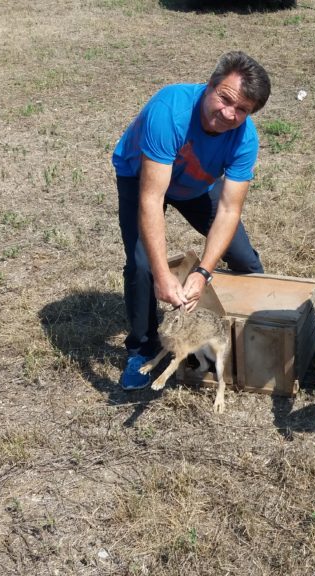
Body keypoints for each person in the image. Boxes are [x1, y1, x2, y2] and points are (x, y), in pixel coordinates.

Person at [113, 51, 271, 391]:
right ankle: (141, 350)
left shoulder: (246, 139)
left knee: (244, 258)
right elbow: (152, 198)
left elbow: (229, 210)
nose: (229, 114)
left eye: (242, 110)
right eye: (225, 99)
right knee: (141, 264)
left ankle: (254, 329)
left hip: (198, 183)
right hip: (141, 177)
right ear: (210, 86)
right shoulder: (170, 111)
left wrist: (203, 272)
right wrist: (161, 274)